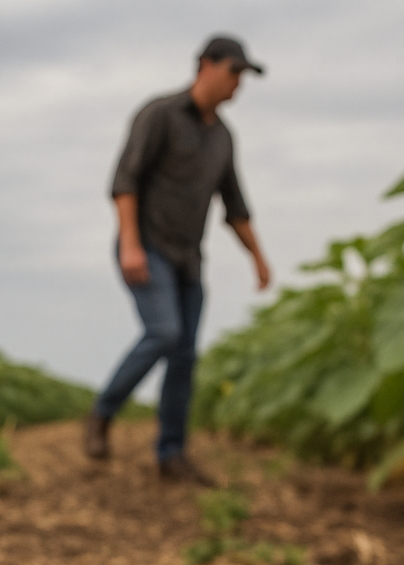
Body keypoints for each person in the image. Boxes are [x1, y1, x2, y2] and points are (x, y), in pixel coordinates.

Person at [85, 35, 271, 484]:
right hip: (147, 245)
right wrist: (130, 244)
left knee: (185, 354)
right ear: (205, 65)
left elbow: (235, 207)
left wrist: (258, 258)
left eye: (243, 76)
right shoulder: (160, 115)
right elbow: (124, 182)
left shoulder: (223, 137)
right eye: (233, 72)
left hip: (189, 258)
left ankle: (171, 454)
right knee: (164, 332)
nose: (238, 84)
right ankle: (103, 412)